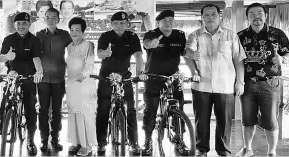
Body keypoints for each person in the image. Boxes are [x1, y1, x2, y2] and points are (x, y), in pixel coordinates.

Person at [183, 4, 246, 156]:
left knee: (225, 122)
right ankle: (201, 149)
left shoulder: (231, 36)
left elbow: (238, 60)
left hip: (225, 86)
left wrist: (240, 82)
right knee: (201, 121)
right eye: (206, 15)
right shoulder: (195, 35)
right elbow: (188, 52)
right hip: (201, 85)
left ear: (220, 16)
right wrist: (191, 57)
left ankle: (223, 151)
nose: (210, 18)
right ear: (202, 17)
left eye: (213, 15)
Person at [235, 3, 289, 157]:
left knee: (270, 120)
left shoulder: (277, 34)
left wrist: (282, 59)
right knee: (247, 119)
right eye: (252, 14)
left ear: (265, 15)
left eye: (260, 13)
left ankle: (272, 152)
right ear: (247, 17)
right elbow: (234, 60)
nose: (257, 17)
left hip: (270, 82)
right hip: (247, 83)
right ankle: (247, 149)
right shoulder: (240, 36)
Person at [139, 10, 189, 156]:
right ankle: (147, 141)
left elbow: (184, 52)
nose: (169, 22)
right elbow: (147, 44)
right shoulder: (151, 34)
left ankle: (180, 139)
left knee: (179, 107)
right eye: (165, 20)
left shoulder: (179, 35)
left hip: (173, 76)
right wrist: (151, 44)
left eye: (171, 20)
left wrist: (191, 55)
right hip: (153, 77)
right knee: (151, 109)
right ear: (158, 22)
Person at [96, 11, 143, 155]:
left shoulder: (132, 37)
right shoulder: (105, 36)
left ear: (127, 24)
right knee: (103, 109)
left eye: (122, 23)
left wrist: (140, 72)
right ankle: (102, 142)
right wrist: (105, 53)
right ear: (111, 24)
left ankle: (134, 142)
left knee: (131, 109)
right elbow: (99, 53)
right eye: (115, 23)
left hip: (125, 76)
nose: (119, 25)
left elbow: (138, 55)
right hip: (106, 77)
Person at [0, 12, 44, 155]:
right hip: (13, 75)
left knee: (30, 107)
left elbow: (36, 57)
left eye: (24, 23)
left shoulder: (35, 40)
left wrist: (39, 72)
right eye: (18, 23)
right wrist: (7, 56)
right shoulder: (8, 39)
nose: (21, 26)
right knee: (5, 100)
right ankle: (3, 124)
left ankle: (30, 139)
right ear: (14, 25)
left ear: (29, 25)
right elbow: (0, 57)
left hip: (29, 76)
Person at [35, 7, 72, 152]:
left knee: (57, 111)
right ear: (44, 19)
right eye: (48, 17)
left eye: (53, 18)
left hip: (59, 79)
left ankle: (55, 138)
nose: (50, 20)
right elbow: (34, 54)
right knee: (43, 110)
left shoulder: (65, 35)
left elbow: (74, 50)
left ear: (58, 19)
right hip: (43, 79)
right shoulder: (38, 35)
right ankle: (44, 139)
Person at [65, 17, 97, 156]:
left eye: (77, 30)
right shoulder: (69, 46)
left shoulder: (88, 45)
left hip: (84, 84)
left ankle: (87, 145)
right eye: (72, 30)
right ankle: (77, 142)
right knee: (74, 113)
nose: (74, 33)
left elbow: (90, 64)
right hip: (72, 84)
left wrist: (83, 74)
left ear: (83, 31)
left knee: (85, 114)